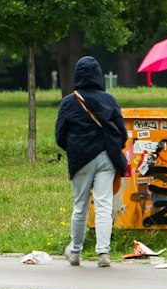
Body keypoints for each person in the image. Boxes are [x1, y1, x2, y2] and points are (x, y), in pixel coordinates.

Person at [54, 56, 127, 267]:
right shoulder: (110, 100)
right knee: (104, 205)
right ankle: (103, 253)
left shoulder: (69, 102)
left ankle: (75, 252)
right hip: (107, 158)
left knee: (80, 206)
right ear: (98, 75)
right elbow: (122, 134)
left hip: (81, 160)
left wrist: (75, 147)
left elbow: (60, 136)